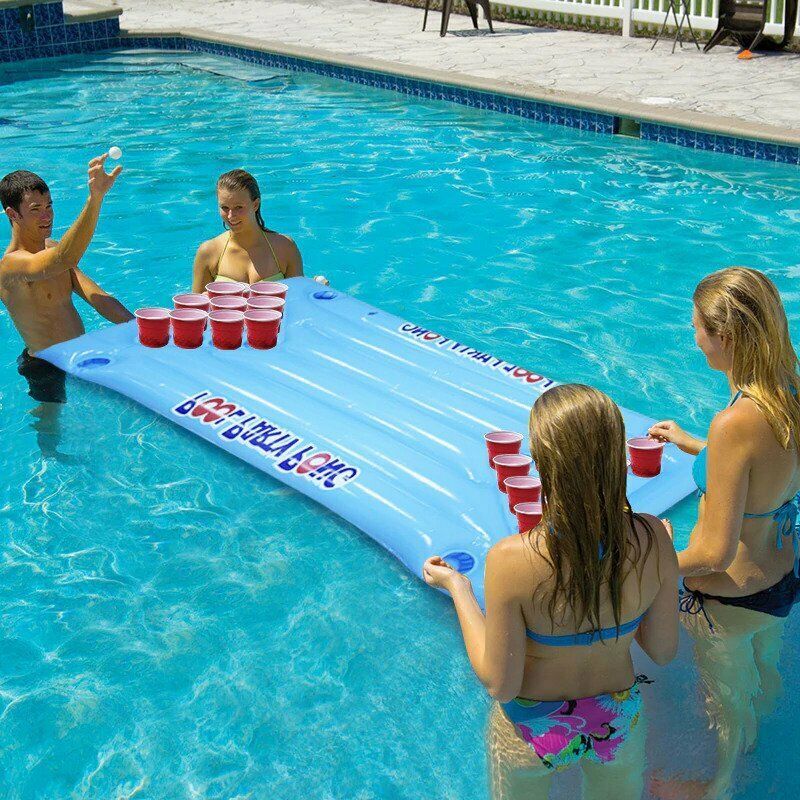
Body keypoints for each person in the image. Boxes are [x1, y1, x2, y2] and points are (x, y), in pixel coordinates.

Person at [424, 384, 679, 800]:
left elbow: (500, 683)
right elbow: (663, 650)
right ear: (617, 456)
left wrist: (459, 589)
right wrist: (659, 565)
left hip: (530, 728)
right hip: (616, 720)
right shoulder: (653, 539)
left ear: (543, 463)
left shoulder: (510, 559)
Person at [648, 267, 800, 800]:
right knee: (765, 675)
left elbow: (712, 553)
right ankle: (757, 742)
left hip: (730, 597)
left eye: (698, 328)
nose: (694, 339)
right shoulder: (789, 390)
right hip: (782, 577)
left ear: (726, 337)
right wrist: (691, 444)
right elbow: (764, 472)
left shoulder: (733, 423)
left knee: (725, 703)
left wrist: (650, 557)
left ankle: (718, 786)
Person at [0, 158, 133, 456]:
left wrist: (141, 328)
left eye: (48, 206)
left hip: (80, 356)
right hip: (46, 366)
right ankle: (48, 468)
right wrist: (95, 198)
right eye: (35, 210)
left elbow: (96, 297)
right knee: (51, 429)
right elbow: (62, 259)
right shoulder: (11, 267)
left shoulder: (51, 247)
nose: (46, 216)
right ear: (12, 214)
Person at [192, 169, 310, 291]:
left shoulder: (285, 248)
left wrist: (316, 290)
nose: (231, 216)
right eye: (225, 208)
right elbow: (195, 308)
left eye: (239, 207)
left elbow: (299, 301)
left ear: (255, 205)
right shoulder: (208, 252)